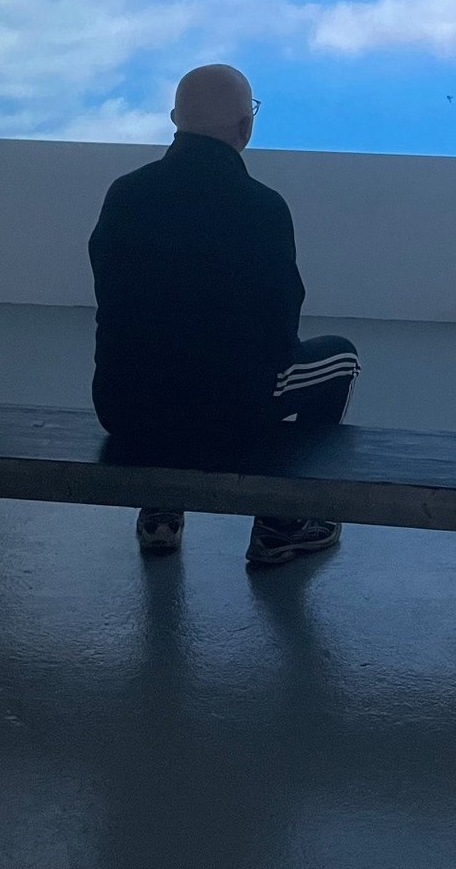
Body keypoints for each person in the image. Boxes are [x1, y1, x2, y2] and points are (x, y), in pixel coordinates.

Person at [89, 64, 360, 566]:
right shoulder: (261, 207)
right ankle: (283, 521)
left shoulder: (123, 195)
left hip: (125, 410)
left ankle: (161, 510)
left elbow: (114, 301)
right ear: (244, 128)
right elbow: (282, 329)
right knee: (341, 359)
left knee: (155, 360)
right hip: (230, 417)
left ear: (175, 119)